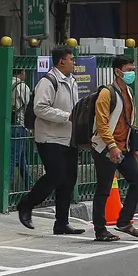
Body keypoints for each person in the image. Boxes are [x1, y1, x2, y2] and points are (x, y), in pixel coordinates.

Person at [16, 46, 83, 234]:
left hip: (69, 137)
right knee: (56, 175)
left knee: (69, 180)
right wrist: (66, 116)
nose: (74, 63)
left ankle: (62, 222)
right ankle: (26, 204)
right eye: (71, 60)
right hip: (49, 137)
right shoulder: (49, 81)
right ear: (61, 61)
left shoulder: (72, 81)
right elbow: (40, 108)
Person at [91, 55, 138, 242]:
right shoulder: (107, 93)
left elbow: (130, 121)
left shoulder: (129, 92)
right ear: (117, 71)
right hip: (106, 148)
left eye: (133, 69)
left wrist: (134, 146)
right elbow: (102, 123)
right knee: (104, 189)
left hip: (124, 147)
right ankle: (100, 229)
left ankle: (124, 221)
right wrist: (112, 146)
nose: (132, 73)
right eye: (128, 70)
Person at [9, 68, 33, 189]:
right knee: (13, 157)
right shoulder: (22, 87)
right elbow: (29, 106)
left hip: (6, 125)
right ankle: (6, 185)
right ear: (22, 72)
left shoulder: (3, 83)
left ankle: (29, 184)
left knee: (21, 157)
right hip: (19, 124)